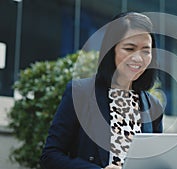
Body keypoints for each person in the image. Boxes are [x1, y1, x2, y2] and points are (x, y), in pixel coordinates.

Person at [40, 12, 164, 169]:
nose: (138, 58)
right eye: (129, 48)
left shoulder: (154, 106)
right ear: (111, 49)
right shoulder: (80, 93)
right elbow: (50, 156)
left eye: (146, 51)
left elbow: (154, 162)